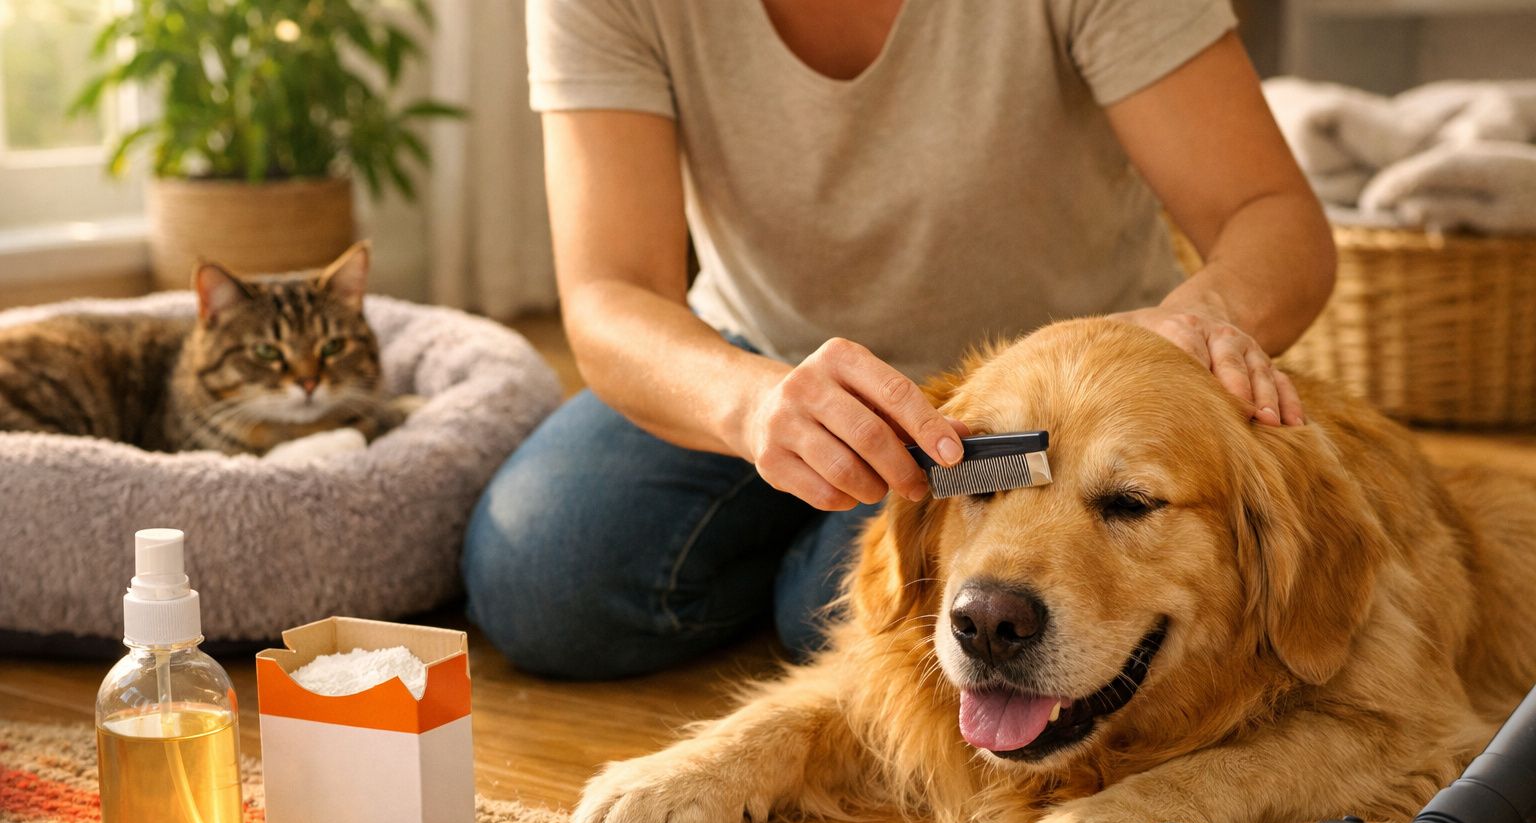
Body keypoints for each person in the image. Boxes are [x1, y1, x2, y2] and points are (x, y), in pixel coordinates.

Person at [462, 0, 1337, 679]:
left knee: (854, 615)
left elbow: (1273, 218)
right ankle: (805, 549)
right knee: (538, 576)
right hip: (765, 358)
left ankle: (809, 570)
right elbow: (612, 293)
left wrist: (1185, 333)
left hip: (1052, 417)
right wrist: (752, 403)